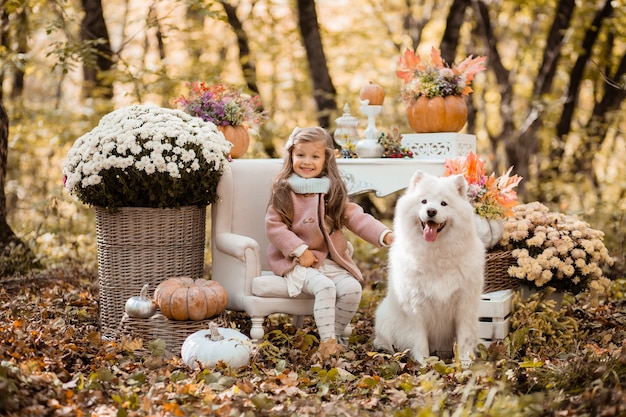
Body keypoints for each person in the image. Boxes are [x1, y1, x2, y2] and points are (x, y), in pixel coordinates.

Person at [265, 126, 394, 351]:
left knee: (352, 289)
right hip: (297, 262)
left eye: (315, 156)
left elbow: (356, 218)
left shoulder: (332, 191)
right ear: (292, 156)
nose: (307, 162)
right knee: (325, 287)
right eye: (301, 155)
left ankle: (333, 336)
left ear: (326, 160)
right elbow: (274, 227)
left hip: (328, 261)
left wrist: (385, 234)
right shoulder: (285, 190)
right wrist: (299, 250)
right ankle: (328, 343)